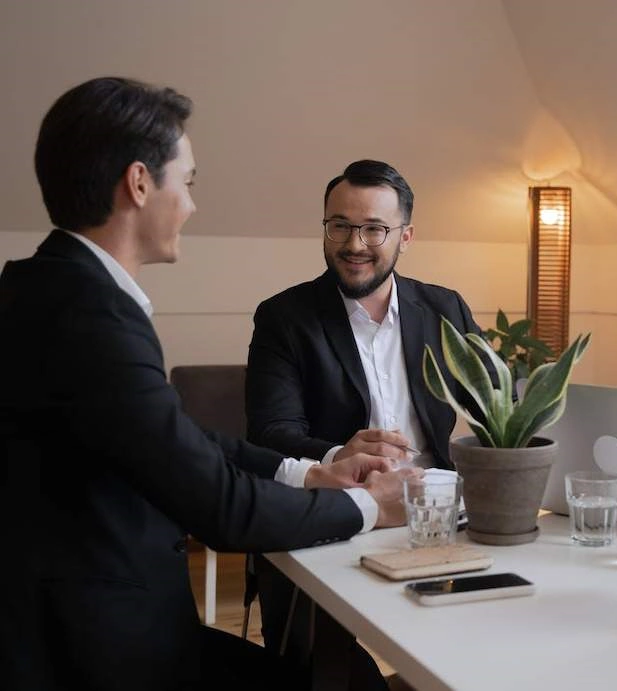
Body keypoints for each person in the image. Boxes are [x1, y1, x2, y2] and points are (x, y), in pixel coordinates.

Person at [0, 77, 418, 691]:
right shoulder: (88, 316)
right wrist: (367, 506)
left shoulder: (48, 288)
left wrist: (308, 474)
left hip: (89, 617)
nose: (192, 206)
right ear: (140, 184)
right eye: (187, 182)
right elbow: (220, 508)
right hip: (89, 647)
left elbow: (175, 436)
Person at [245, 159, 483, 681]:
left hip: (437, 514)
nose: (355, 243)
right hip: (330, 513)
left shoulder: (445, 308)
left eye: (374, 228)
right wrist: (339, 455)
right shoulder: (285, 317)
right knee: (324, 669)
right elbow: (269, 432)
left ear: (406, 236)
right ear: (325, 227)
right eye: (341, 225)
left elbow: (495, 409)